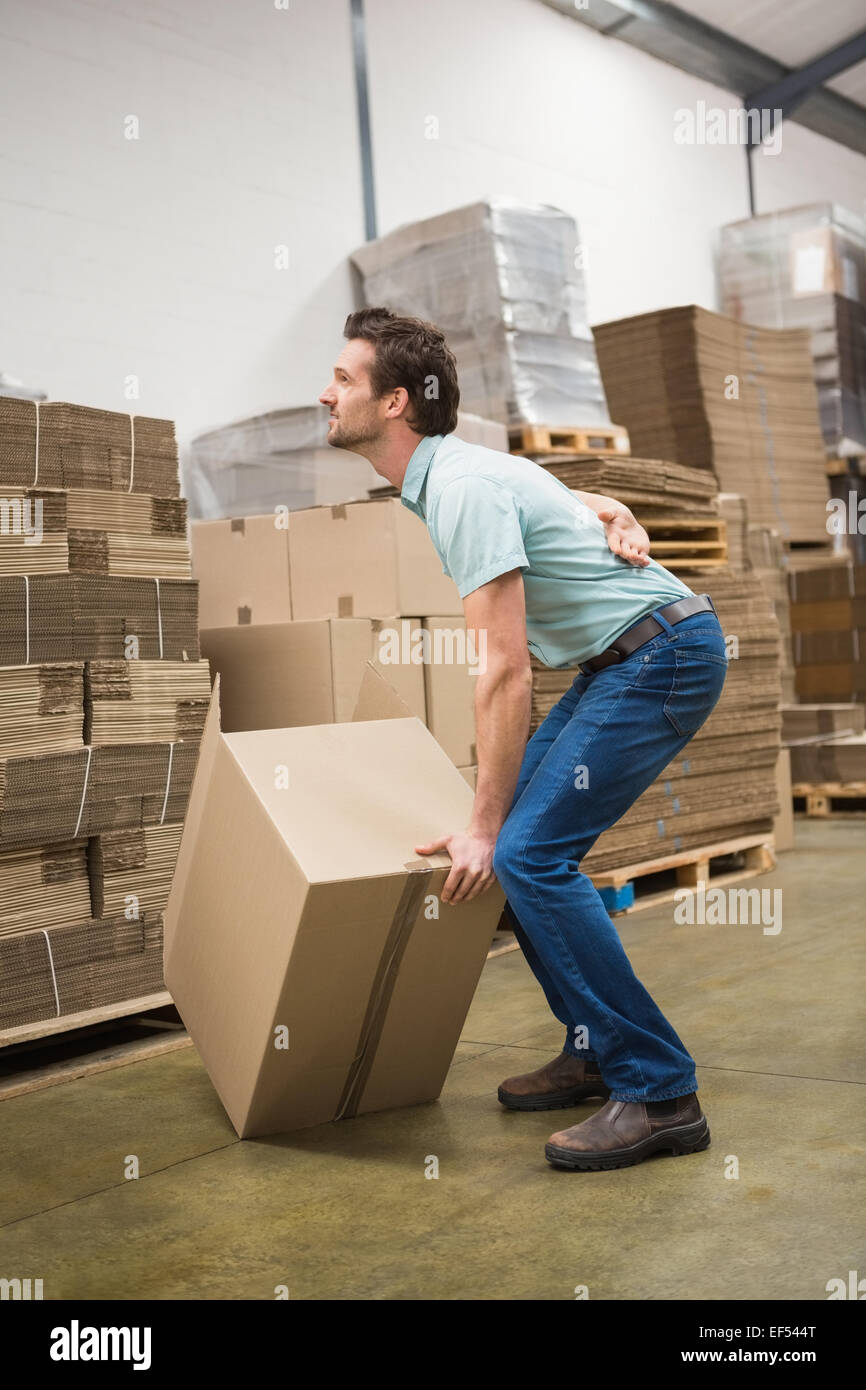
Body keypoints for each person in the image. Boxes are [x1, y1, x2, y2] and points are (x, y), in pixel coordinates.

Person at [320, 307, 728, 1172]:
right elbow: (575, 501)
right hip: (623, 658)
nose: (326, 392)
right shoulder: (461, 473)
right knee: (519, 849)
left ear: (396, 403)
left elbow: (504, 671)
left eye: (344, 379)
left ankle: (661, 1092)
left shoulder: (460, 488)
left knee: (528, 852)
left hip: (660, 658)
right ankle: (594, 1048)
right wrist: (613, 509)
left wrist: (480, 819)